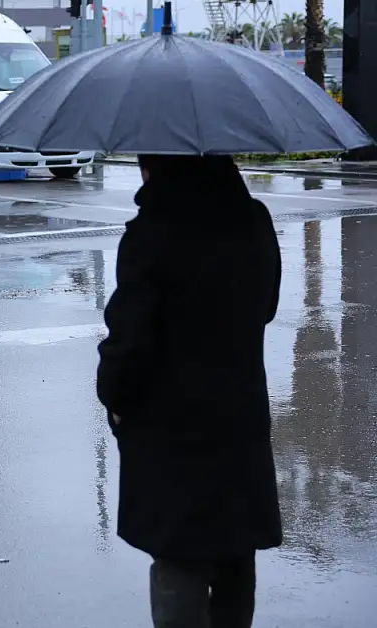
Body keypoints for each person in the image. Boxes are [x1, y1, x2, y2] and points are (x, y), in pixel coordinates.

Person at [97, 154, 283, 628]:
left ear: (158, 164)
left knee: (179, 556)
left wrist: (115, 400)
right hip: (239, 415)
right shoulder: (253, 219)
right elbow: (266, 306)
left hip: (171, 427)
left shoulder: (151, 233)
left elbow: (129, 340)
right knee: (235, 553)